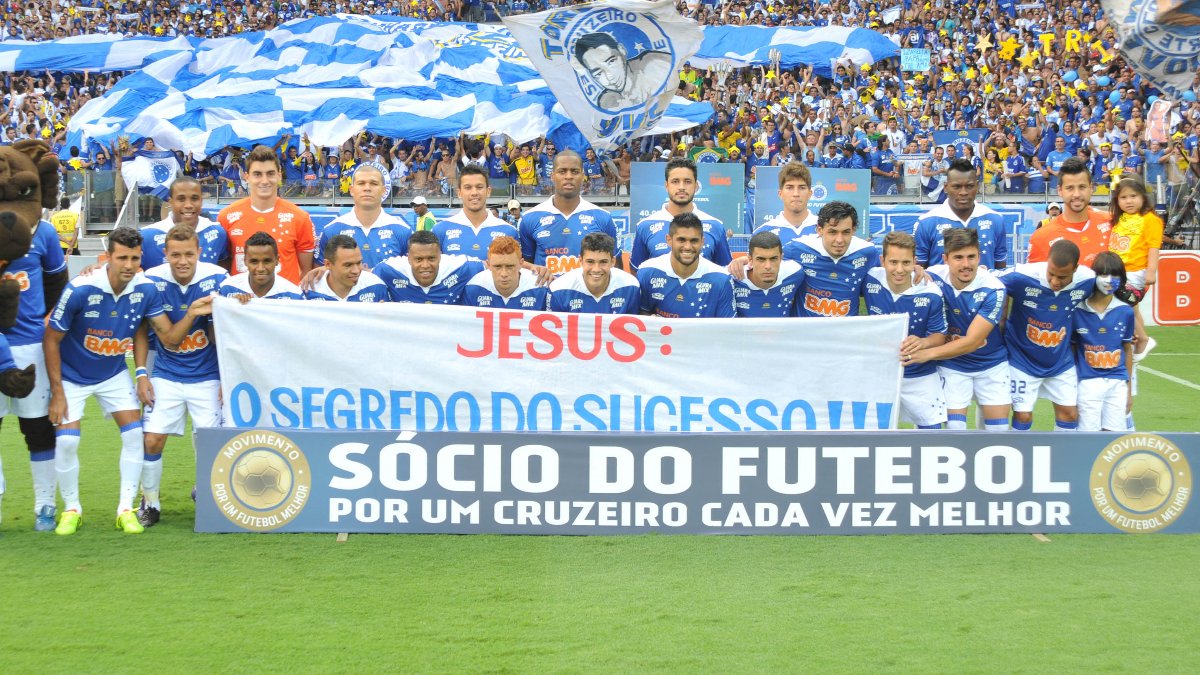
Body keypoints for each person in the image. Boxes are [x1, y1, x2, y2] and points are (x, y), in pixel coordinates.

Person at [45, 227, 212, 535]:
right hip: (71, 376)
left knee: (135, 436)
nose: (128, 265)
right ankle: (72, 509)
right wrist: (57, 391)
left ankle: (127, 509)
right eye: (121, 258)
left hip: (112, 372)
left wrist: (140, 374)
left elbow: (152, 332)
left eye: (134, 258)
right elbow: (52, 338)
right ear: (106, 257)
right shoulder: (80, 288)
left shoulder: (146, 288)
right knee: (67, 441)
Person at [134, 225, 228, 527]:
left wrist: (229, 378)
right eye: (176, 255)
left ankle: (206, 493)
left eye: (189, 254)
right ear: (166, 254)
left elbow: (228, 333)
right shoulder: (151, 282)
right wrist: (141, 375)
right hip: (166, 373)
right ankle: (150, 502)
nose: (183, 261)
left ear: (199, 252)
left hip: (208, 376)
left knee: (210, 442)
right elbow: (155, 336)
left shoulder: (218, 279)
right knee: (152, 440)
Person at [0, 196, 69, 531]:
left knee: (38, 431)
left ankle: (45, 505)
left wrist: (37, 322)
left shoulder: (43, 232)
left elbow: (57, 282)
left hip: (30, 347)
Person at [904, 228, 1010, 432]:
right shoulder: (932, 277)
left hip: (991, 364)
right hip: (953, 365)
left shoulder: (994, 288)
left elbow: (972, 342)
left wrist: (926, 354)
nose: (966, 264)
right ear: (946, 259)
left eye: (971, 257)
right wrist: (916, 269)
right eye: (958, 257)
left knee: (999, 431)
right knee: (955, 428)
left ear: (979, 256)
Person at [998, 240, 1095, 432]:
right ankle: (1021, 458)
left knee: (1070, 413)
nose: (1055, 282)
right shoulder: (1022, 276)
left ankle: (1064, 460)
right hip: (1021, 359)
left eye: (1062, 277)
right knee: (1023, 416)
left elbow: (1115, 296)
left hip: (1060, 361)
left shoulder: (1088, 280)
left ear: (1076, 268)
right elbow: (987, 280)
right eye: (1051, 274)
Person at [863, 232, 948, 429]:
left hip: (920, 374)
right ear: (882, 261)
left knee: (932, 434)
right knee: (872, 433)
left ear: (914, 262)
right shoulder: (869, 279)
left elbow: (939, 336)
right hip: (879, 372)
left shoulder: (931, 292)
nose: (899, 269)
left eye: (906, 263)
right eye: (893, 262)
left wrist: (922, 342)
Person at [218, 145, 315, 285]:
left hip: (283, 304)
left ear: (279, 175)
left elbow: (306, 273)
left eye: (270, 173)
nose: (264, 181)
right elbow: (223, 270)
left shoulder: (300, 218)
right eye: (257, 174)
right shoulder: (226, 217)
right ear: (247, 177)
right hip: (241, 303)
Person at [519, 150, 620, 278]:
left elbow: (615, 267)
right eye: (562, 171)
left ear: (583, 176)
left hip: (587, 296)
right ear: (552, 175)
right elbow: (525, 265)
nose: (568, 176)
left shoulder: (603, 218)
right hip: (545, 294)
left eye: (574, 171)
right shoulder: (530, 218)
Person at [629, 158, 732, 272]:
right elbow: (636, 272)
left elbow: (725, 272)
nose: (681, 187)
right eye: (675, 181)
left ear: (696, 186)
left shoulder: (715, 226)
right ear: (666, 185)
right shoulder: (645, 226)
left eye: (687, 181)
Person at [1072, 252, 1136, 432]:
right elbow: (1071, 349)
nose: (1109, 280)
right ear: (1094, 276)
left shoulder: (1125, 311)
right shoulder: (1077, 309)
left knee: (1113, 437)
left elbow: (1127, 349)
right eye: (1103, 274)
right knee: (1088, 435)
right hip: (1087, 382)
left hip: (1117, 382)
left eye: (1115, 275)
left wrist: (1128, 391)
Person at [783, 201, 880, 318]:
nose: (839, 240)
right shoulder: (796, 249)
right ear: (819, 230)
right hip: (806, 332)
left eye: (846, 232)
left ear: (853, 230)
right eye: (832, 232)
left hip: (845, 333)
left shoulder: (868, 252)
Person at [914, 158, 1009, 269]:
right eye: (957, 187)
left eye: (969, 186)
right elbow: (919, 272)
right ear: (946, 187)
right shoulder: (926, 222)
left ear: (977, 186)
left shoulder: (995, 219)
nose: (963, 192)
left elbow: (1000, 268)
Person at [636, 213, 735, 318]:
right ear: (669, 240)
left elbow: (727, 328)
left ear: (702, 242)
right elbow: (640, 315)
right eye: (681, 240)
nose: (687, 247)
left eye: (694, 241)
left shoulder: (722, 279)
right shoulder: (647, 271)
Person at [314, 165, 411, 270]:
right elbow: (319, 274)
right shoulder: (331, 230)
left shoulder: (403, 231)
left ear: (384, 190)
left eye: (374, 183)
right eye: (361, 183)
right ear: (351, 190)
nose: (367, 188)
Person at [1107, 176, 1161, 359]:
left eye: (1133, 196)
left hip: (1136, 270)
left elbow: (1154, 246)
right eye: (1123, 197)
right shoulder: (1119, 218)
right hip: (1118, 270)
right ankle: (1139, 337)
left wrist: (1151, 271)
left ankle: (1143, 338)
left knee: (1121, 300)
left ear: (1143, 197)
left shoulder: (1150, 219)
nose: (1129, 201)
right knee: (1132, 306)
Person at [1028, 157, 1110, 268]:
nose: (1076, 194)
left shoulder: (1111, 223)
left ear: (1091, 188)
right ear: (1060, 190)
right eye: (1070, 188)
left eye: (1082, 187)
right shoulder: (1041, 237)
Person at [432, 165, 517, 261]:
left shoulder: (508, 230)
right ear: (459, 193)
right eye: (468, 188)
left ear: (488, 191)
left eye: (479, 187)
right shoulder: (440, 229)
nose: (474, 192)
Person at [141, 176, 228, 270]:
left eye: (194, 199)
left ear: (201, 201)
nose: (188, 205)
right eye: (181, 199)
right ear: (170, 202)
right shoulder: (147, 237)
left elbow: (223, 267)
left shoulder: (217, 233)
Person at [374, 230, 484, 304]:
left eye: (431, 258)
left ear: (440, 256)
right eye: (419, 259)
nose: (425, 265)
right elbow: (366, 279)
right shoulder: (389, 269)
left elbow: (491, 268)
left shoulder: (461, 267)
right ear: (408, 258)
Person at [573, 32, 672, 111]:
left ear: (622, 51)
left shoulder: (654, 64)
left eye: (611, 61)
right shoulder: (607, 102)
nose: (610, 77)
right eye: (598, 73)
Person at [549, 233, 640, 314]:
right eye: (590, 261)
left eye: (603, 262)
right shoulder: (558, 289)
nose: (596, 269)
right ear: (580, 261)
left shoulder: (631, 286)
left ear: (613, 262)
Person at [462, 236, 550, 310]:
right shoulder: (474, 287)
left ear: (521, 264)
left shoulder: (541, 287)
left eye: (510, 266)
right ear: (488, 265)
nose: (504, 274)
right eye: (497, 266)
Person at [732, 231, 805, 318]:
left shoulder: (795, 273)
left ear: (781, 258)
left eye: (773, 259)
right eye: (761, 259)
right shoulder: (732, 279)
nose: (768, 266)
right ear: (750, 259)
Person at [218, 232, 305, 301]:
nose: (260, 268)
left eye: (267, 261)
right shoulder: (227, 288)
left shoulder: (294, 295)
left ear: (277, 260)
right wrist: (233, 307)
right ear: (245, 261)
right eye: (254, 262)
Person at [752, 162, 819, 248]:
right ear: (780, 194)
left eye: (802, 188)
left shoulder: (826, 229)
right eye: (789, 187)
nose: (796, 194)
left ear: (810, 194)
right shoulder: (762, 233)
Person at [305, 235, 388, 303]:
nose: (356, 271)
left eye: (359, 263)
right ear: (328, 264)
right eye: (348, 265)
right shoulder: (307, 292)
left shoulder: (376, 286)